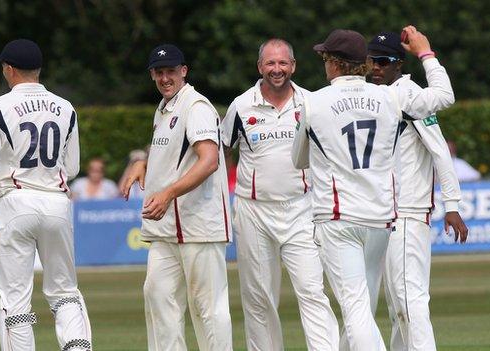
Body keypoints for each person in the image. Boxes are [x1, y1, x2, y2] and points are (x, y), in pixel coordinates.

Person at [292, 26, 455, 351]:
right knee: (365, 306)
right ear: (362, 63)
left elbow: (299, 160)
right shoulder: (392, 97)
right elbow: (444, 96)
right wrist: (426, 53)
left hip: (341, 219)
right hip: (381, 218)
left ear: (334, 63)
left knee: (362, 308)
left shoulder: (312, 101)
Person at [0, 39, 91, 351]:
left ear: (9, 69)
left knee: (15, 298)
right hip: (57, 203)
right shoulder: (66, 107)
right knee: (65, 292)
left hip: (16, 203)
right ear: (38, 70)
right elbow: (71, 167)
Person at [220, 38, 338, 350]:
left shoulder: (312, 103)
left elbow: (330, 154)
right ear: (260, 67)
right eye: (270, 63)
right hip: (253, 210)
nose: (277, 69)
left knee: (312, 290)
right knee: (259, 298)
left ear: (293, 66)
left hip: (302, 208)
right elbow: (221, 152)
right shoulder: (241, 106)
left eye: (283, 63)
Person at [120, 44, 233, 351]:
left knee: (208, 309)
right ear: (152, 75)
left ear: (184, 71)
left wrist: (168, 193)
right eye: (159, 72)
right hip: (167, 228)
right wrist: (144, 161)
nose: (165, 77)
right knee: (158, 298)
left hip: (199, 225)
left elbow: (209, 160)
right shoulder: (164, 107)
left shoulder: (196, 106)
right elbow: (169, 146)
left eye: (171, 71)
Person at [368, 31, 468, 351]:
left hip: (409, 213)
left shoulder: (408, 92)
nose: (376, 68)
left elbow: (439, 151)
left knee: (411, 300)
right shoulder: (376, 96)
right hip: (382, 214)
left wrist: (451, 204)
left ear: (399, 65)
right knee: (398, 307)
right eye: (372, 61)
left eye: (383, 62)